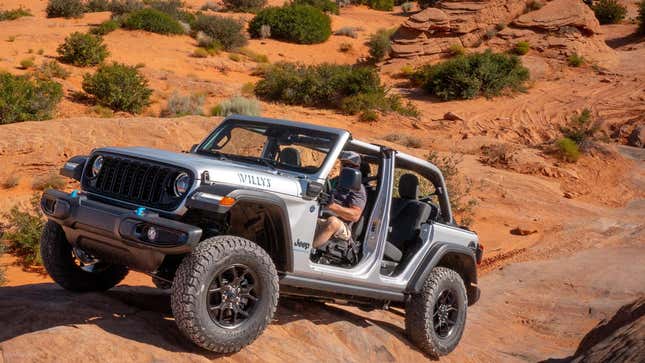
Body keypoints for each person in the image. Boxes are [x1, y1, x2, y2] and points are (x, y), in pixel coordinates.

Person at [313, 151, 367, 249]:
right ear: (341, 165)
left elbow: (355, 215)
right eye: (345, 164)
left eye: (351, 166)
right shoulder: (335, 181)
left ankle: (309, 252)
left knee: (332, 222)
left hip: (343, 226)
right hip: (321, 216)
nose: (347, 168)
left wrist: (332, 206)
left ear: (358, 168)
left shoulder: (358, 188)